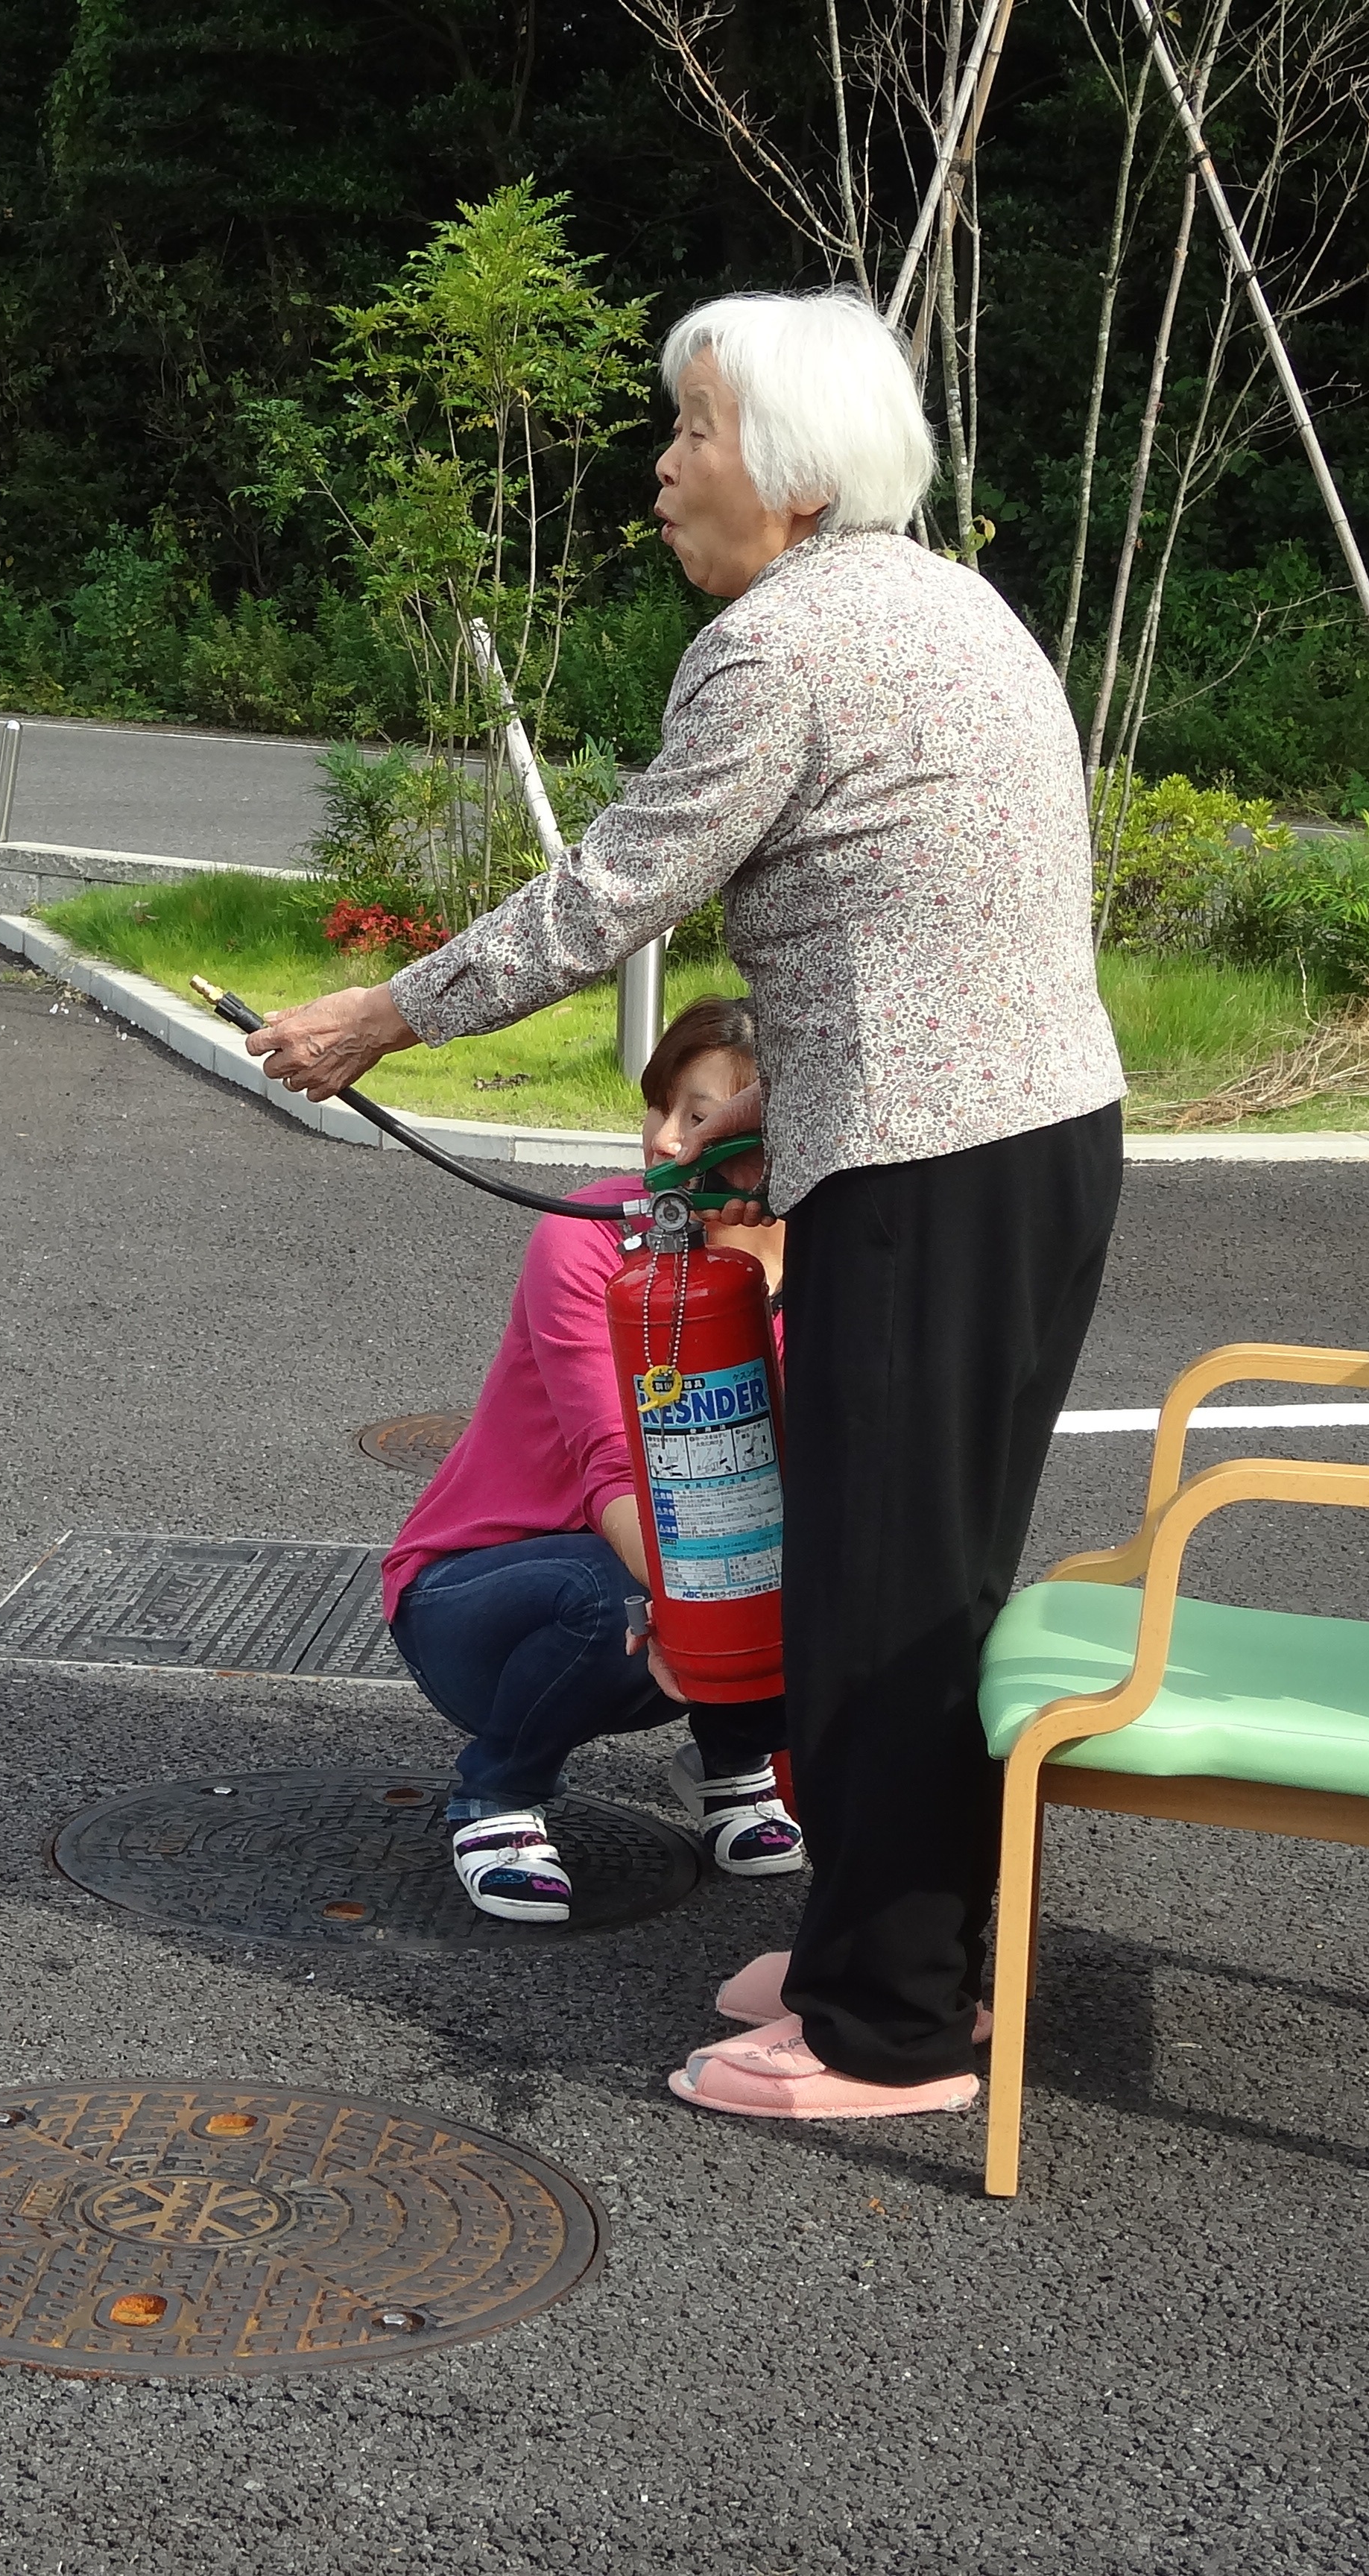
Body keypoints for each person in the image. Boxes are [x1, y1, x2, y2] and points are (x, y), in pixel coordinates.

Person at [247, 288, 1125, 2119]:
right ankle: (896, 1944)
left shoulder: (777, 646)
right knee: (928, 1578)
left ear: (791, 477)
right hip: (1035, 1142)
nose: (662, 467)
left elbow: (612, 893)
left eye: (693, 431)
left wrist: (385, 1013)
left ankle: (893, 2028)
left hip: (927, 1164)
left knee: (877, 1593)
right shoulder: (953, 601)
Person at [385, 997, 803, 1923]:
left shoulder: (835, 1267)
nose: (665, 1140)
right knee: (620, 1588)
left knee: (817, 1561)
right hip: (488, 1599)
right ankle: (498, 1790)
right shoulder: (588, 1237)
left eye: (702, 1119)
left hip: (674, 1598)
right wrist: (700, 1605)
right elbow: (611, 1460)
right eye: (661, 1106)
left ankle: (732, 1765)